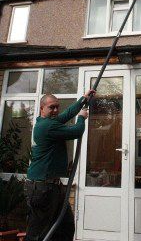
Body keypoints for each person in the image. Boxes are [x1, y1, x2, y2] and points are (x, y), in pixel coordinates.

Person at [24, 90, 95, 241]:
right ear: (42, 108)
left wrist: (83, 99)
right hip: (42, 188)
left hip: (52, 187)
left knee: (65, 227)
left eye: (57, 106)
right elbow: (77, 131)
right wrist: (81, 118)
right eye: (51, 107)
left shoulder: (49, 122)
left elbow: (66, 114)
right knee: (38, 233)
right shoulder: (47, 126)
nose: (56, 110)